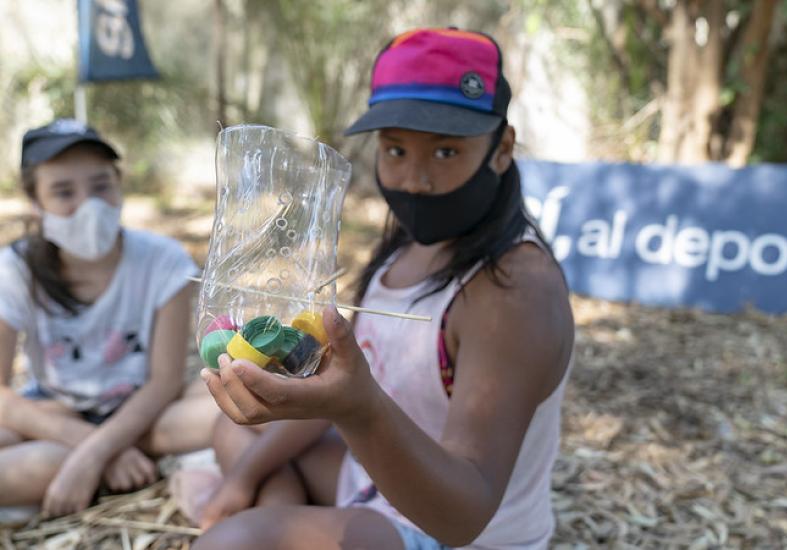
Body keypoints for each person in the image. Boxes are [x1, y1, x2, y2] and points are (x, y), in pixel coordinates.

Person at [194, 27, 574, 549]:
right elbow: (345, 385)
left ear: (502, 148)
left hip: (455, 529)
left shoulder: (514, 291)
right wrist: (242, 481)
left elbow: (466, 515)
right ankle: (275, 508)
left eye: (445, 153)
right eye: (395, 150)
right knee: (233, 437)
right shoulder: (406, 249)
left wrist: (357, 407)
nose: (415, 180)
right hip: (378, 483)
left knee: (228, 544)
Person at [0, 119, 219, 520]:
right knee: (38, 453)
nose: (89, 205)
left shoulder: (164, 261)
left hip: (149, 418)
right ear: (35, 202)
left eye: (101, 185)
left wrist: (93, 454)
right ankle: (111, 467)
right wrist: (91, 447)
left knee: (225, 409)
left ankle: (68, 474)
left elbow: (165, 380)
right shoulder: (14, 269)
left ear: (118, 185)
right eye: (64, 192)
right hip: (55, 416)